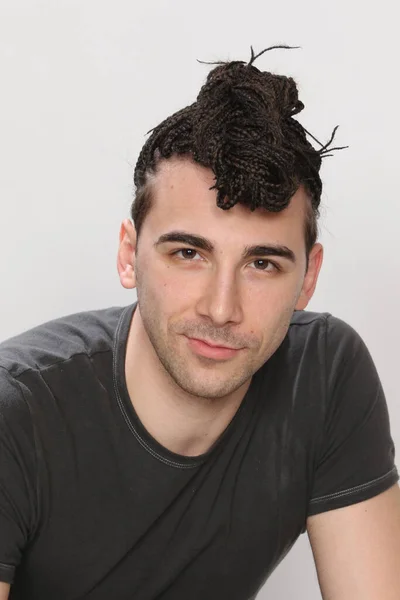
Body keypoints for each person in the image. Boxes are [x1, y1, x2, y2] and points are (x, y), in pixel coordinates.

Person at [0, 46, 399, 600]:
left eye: (262, 264)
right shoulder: (15, 415)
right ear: (127, 253)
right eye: (189, 254)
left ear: (307, 280)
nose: (220, 308)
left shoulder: (325, 375)